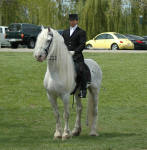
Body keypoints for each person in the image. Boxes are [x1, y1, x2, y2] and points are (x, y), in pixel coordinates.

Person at [62, 14, 91, 98]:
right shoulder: (65, 32)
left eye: (73, 20)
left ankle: (83, 90)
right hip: (66, 56)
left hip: (77, 56)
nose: (72, 22)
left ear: (77, 21)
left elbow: (82, 44)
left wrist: (74, 51)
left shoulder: (81, 32)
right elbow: (62, 43)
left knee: (80, 69)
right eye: (70, 20)